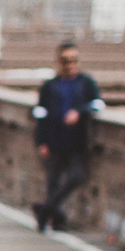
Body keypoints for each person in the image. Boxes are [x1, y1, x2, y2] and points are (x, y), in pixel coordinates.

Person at [30, 41, 104, 232]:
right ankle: (54, 220)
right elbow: (40, 114)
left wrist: (80, 112)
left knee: (76, 176)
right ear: (58, 61)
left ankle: (45, 209)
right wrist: (41, 141)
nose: (70, 64)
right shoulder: (49, 86)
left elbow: (97, 104)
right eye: (65, 60)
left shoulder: (86, 83)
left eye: (73, 60)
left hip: (77, 141)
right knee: (52, 181)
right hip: (54, 140)